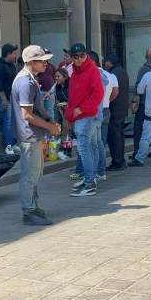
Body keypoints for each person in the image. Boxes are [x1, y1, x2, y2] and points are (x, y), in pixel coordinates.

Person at [9, 46, 60, 225]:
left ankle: (33, 206)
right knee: (30, 175)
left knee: (35, 173)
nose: (46, 63)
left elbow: (36, 109)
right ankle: (29, 211)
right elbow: (27, 115)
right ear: (31, 62)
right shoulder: (25, 82)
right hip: (29, 135)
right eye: (42, 60)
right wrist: (49, 126)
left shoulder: (29, 79)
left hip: (32, 134)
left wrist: (48, 121)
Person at [64, 43, 104, 197]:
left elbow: (98, 93)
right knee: (91, 147)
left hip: (86, 116)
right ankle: (90, 178)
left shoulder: (92, 70)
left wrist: (81, 109)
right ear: (72, 58)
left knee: (84, 149)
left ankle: (89, 183)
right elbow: (73, 96)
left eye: (82, 55)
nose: (79, 59)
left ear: (86, 55)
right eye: (76, 57)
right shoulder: (75, 72)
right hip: (82, 115)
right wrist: (70, 115)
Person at [93, 51, 118, 180]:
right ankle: (101, 170)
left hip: (95, 111)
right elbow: (115, 92)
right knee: (101, 143)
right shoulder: (110, 75)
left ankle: (95, 170)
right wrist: (107, 100)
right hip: (106, 108)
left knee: (94, 144)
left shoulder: (93, 75)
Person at [0, 43, 19, 155]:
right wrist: (3, 100)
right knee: (7, 121)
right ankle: (8, 146)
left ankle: (14, 143)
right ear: (8, 54)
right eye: (14, 53)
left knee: (13, 121)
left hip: (11, 97)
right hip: (1, 98)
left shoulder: (11, 65)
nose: (15, 55)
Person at [103, 55, 129, 171]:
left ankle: (118, 162)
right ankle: (120, 160)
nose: (105, 65)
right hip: (122, 109)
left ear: (110, 62)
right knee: (119, 136)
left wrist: (108, 101)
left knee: (115, 137)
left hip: (115, 109)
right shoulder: (122, 71)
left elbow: (114, 91)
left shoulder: (114, 74)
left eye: (106, 62)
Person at [130, 48, 151, 162]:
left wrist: (135, 103)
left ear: (145, 57)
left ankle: (137, 151)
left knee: (139, 129)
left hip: (144, 103)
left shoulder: (143, 69)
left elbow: (138, 87)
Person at [37, 56, 57, 125]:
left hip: (50, 92)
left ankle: (52, 129)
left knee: (50, 110)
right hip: (40, 91)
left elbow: (56, 76)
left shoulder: (52, 66)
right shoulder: (38, 66)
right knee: (41, 110)